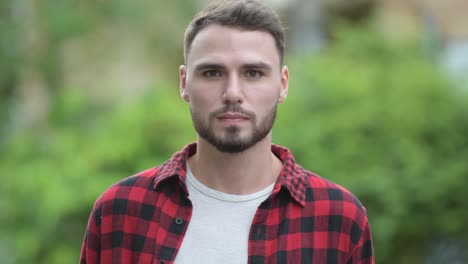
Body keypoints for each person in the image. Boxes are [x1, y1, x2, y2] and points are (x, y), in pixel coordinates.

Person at [80, 0, 374, 263]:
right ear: (184, 83)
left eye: (253, 73)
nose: (233, 93)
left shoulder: (339, 218)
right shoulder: (120, 211)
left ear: (282, 84)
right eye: (212, 73)